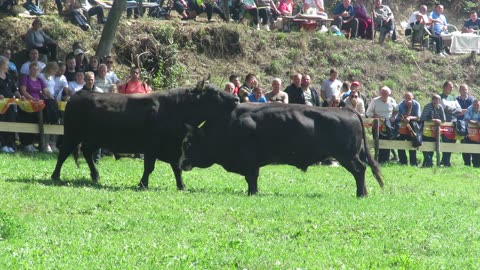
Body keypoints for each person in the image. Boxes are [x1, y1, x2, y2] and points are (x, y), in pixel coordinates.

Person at [18, 62, 55, 152]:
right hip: (27, 104)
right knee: (28, 122)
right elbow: (23, 91)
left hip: (38, 105)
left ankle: (34, 144)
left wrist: (52, 98)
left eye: (37, 69)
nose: (35, 71)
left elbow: (46, 91)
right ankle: (26, 144)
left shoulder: (39, 80)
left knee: (37, 122)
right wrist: (32, 99)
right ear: (30, 70)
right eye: (33, 69)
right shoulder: (25, 78)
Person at [366, 86, 398, 163]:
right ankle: (378, 160)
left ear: (389, 94)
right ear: (380, 93)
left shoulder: (392, 101)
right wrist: (376, 116)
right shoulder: (375, 101)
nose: (384, 94)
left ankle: (385, 160)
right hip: (377, 125)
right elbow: (368, 112)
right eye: (382, 93)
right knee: (378, 142)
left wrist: (393, 117)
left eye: (386, 93)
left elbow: (396, 110)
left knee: (387, 142)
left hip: (388, 125)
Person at [439, 81, 466, 167]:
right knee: (446, 141)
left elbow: (459, 110)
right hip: (445, 123)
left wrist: (454, 110)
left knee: (452, 141)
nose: (452, 88)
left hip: (454, 123)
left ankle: (445, 161)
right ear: (445, 87)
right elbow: (446, 109)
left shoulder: (453, 98)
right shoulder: (440, 97)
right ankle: (446, 162)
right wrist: (455, 110)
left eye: (452, 87)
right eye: (450, 86)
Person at [394, 92, 421, 166]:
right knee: (400, 143)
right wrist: (410, 108)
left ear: (413, 98)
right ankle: (403, 162)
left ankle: (413, 162)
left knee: (412, 143)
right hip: (402, 126)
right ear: (404, 98)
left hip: (412, 126)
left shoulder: (417, 104)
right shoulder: (401, 105)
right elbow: (405, 117)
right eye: (406, 98)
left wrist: (410, 117)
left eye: (410, 98)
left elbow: (418, 117)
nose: (408, 100)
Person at [0, 56, 20, 153]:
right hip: (1, 105)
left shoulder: (9, 76)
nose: (8, 67)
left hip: (11, 104)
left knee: (11, 122)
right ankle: (2, 144)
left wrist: (18, 95)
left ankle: (9, 144)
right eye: (6, 65)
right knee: (2, 122)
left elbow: (14, 89)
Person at [420, 94, 446, 168]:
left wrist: (439, 121)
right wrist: (434, 120)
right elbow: (423, 118)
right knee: (425, 146)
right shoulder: (427, 106)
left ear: (439, 101)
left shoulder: (440, 107)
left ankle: (429, 163)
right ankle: (427, 161)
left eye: (437, 100)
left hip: (436, 131)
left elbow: (444, 119)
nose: (435, 101)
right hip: (426, 129)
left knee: (432, 146)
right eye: (434, 99)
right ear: (432, 100)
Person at [456, 83, 474, 166]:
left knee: (472, 143)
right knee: (463, 143)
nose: (465, 91)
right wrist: (466, 111)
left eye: (466, 89)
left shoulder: (472, 100)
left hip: (470, 126)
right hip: (459, 126)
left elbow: (473, 112)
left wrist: (461, 111)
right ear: (460, 91)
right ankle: (466, 163)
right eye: (463, 89)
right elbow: (454, 112)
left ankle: (474, 161)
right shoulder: (456, 100)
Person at [462, 99, 480, 167]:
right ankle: (467, 164)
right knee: (466, 148)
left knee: (477, 148)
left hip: (477, 132)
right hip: (467, 130)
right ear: (472, 105)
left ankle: (477, 164)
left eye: (477, 105)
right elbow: (467, 119)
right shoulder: (469, 109)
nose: (476, 106)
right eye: (474, 105)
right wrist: (477, 123)